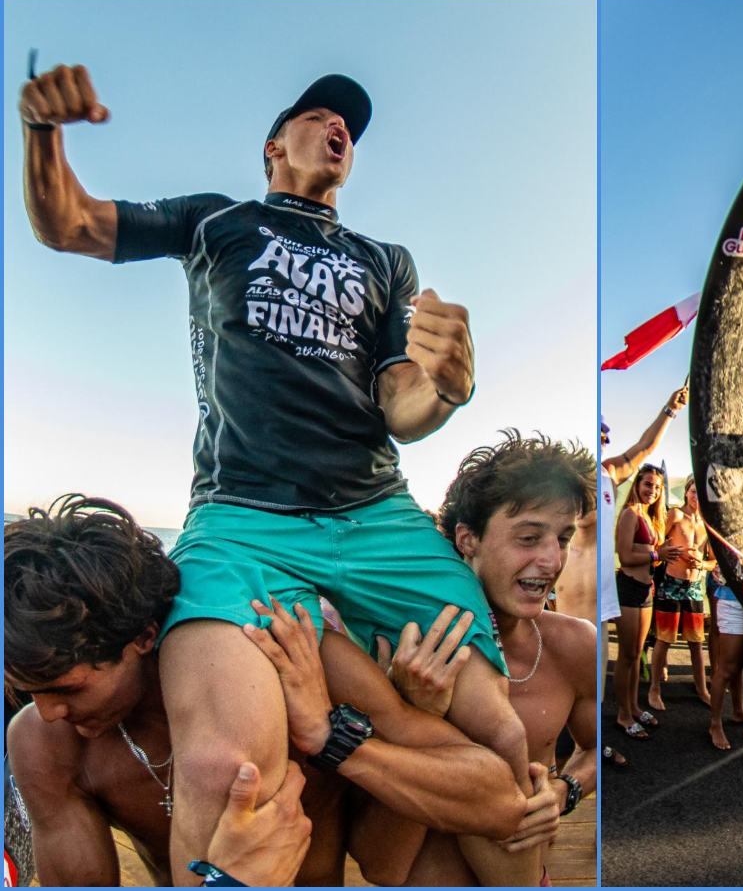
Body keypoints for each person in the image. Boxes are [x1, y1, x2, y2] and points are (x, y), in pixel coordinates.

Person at [20, 65, 535, 881]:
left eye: (353, 130)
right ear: (275, 146)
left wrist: (445, 393)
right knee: (229, 777)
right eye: (325, 116)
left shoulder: (385, 260)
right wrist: (40, 132)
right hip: (242, 519)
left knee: (501, 740)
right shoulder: (215, 222)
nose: (343, 131)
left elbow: (399, 401)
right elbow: (69, 224)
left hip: (376, 515)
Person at [332, 431, 598, 885]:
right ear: (467, 538)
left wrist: (563, 789)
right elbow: (379, 863)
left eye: (563, 538)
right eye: (529, 537)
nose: (552, 560)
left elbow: (595, 747)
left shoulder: (573, 645)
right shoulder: (389, 655)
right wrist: (409, 713)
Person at [3, 496, 306, 886]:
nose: (48, 712)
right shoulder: (45, 745)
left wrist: (336, 738)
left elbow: (387, 865)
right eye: (28, 692)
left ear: (143, 636)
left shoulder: (278, 688)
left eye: (68, 689)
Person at [598, 386, 688, 764]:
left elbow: (644, 448)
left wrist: (669, 408)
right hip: (600, 591)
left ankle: (629, 711)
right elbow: (624, 551)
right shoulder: (589, 479)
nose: (605, 438)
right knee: (614, 662)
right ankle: (618, 718)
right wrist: (656, 552)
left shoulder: (609, 472)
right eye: (600, 432)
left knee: (632, 657)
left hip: (622, 592)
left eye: (605, 434)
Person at [648, 477, 715, 710]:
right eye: (694, 492)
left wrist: (702, 564)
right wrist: (662, 552)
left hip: (694, 588)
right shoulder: (675, 515)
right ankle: (654, 689)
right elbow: (655, 544)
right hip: (671, 584)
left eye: (700, 493)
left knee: (697, 643)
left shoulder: (707, 523)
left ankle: (702, 689)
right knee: (664, 639)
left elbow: (714, 562)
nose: (697, 497)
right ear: (686, 493)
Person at [707, 568, 743, 749]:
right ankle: (715, 724)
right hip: (733, 599)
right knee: (726, 669)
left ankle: (738, 710)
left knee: (740, 663)